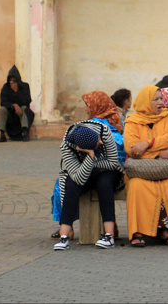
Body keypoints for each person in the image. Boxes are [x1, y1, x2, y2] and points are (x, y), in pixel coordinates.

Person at [51, 91, 127, 238]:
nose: (86, 109)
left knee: (62, 183)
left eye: (87, 105)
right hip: (115, 169)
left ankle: (67, 227)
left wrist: (89, 160)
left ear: (97, 106)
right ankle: (111, 228)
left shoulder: (93, 127)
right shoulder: (121, 124)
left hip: (108, 170)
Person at [123, 85, 168, 247]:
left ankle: (166, 229)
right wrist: (158, 153)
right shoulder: (132, 121)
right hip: (140, 170)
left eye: (161, 99)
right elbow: (131, 147)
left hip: (162, 170)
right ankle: (138, 231)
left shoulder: (167, 117)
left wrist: (147, 144)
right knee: (137, 186)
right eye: (156, 99)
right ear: (145, 102)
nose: (160, 102)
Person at [0, 65, 34, 142]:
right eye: (10, 81)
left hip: (22, 113)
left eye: (14, 81)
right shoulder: (6, 87)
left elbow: (27, 101)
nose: (12, 83)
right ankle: (2, 134)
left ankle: (25, 132)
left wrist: (16, 92)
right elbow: (3, 101)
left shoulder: (25, 86)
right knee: (2, 110)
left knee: (24, 108)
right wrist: (14, 105)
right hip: (11, 112)